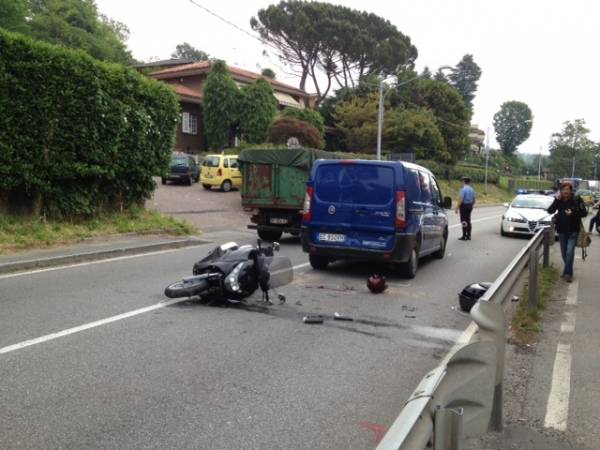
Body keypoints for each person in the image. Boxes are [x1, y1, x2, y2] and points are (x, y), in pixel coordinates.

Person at [547, 182, 588, 282]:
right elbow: (550, 211)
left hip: (573, 231)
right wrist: (556, 200)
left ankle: (568, 274)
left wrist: (573, 213)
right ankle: (568, 269)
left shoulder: (577, 200)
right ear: (561, 191)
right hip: (561, 231)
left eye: (567, 189)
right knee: (564, 254)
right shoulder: (559, 200)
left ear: (571, 190)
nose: (565, 191)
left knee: (570, 252)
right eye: (563, 189)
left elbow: (584, 213)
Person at [456, 176, 476, 240]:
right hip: (470, 206)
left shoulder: (463, 189)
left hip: (464, 206)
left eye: (462, 181)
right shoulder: (472, 189)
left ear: (464, 181)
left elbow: (461, 199)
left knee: (464, 221)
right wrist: (471, 206)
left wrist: (457, 207)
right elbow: (474, 200)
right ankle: (469, 235)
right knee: (468, 220)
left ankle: (464, 235)